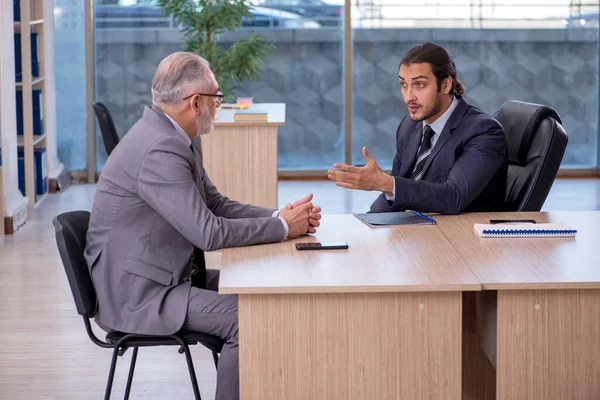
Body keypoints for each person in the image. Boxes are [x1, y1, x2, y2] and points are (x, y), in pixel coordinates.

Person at [84, 51, 322, 400]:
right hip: (138, 295)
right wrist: (285, 228)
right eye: (218, 98)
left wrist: (277, 216)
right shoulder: (161, 148)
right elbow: (207, 232)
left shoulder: (178, 135)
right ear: (196, 102)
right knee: (252, 318)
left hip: (164, 274)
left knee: (270, 297)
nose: (219, 104)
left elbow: (215, 204)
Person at [328, 42, 508, 215]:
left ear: (445, 85)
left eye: (419, 84)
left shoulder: (483, 131)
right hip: (418, 234)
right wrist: (367, 223)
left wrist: (385, 183)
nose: (408, 97)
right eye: (403, 84)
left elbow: (454, 196)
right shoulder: (409, 126)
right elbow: (394, 193)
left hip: (461, 238)